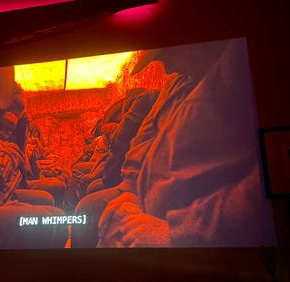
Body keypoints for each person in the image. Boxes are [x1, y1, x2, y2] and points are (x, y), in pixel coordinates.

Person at [72, 38, 276, 248]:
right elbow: (144, 138)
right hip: (141, 205)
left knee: (88, 207)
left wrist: (177, 233)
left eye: (168, 54)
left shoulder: (240, 68)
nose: (166, 67)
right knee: (101, 220)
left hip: (187, 230)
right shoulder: (175, 84)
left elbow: (267, 181)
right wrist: (129, 190)